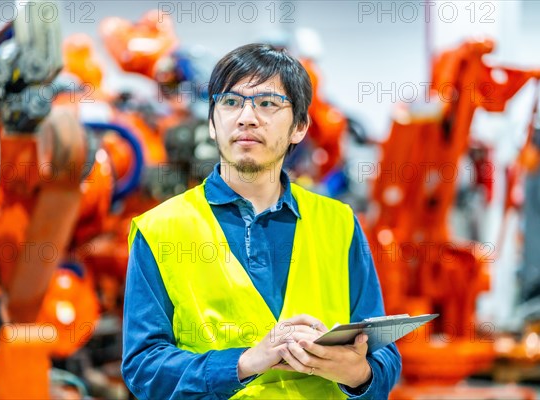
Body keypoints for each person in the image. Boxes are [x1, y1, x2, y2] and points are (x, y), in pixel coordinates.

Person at [122, 43, 401, 399]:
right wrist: (246, 362)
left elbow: (383, 356)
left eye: (268, 104)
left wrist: (359, 373)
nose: (246, 117)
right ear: (212, 123)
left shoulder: (339, 222)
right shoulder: (160, 229)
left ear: (299, 126)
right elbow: (144, 368)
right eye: (230, 102)